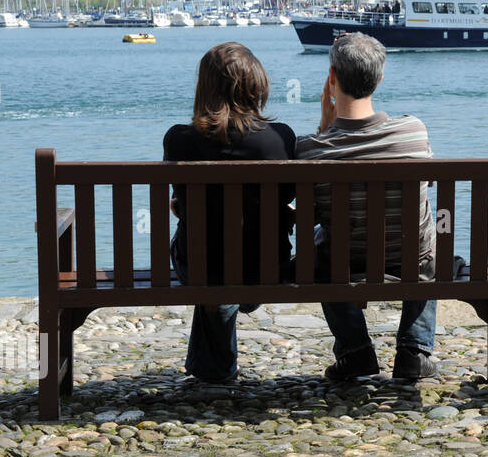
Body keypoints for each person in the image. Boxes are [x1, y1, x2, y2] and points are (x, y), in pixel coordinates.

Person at [295, 33, 440, 382]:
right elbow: (428, 186)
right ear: (379, 78)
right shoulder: (413, 132)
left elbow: (311, 212)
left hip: (343, 265)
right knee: (428, 235)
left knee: (323, 249)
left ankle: (356, 351)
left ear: (332, 78)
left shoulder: (310, 150)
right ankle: (414, 350)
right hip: (410, 261)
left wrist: (325, 127)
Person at [164, 42, 295, 382]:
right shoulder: (280, 138)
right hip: (268, 264)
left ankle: (215, 370)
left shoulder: (179, 139)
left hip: (201, 264)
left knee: (207, 250)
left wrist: (184, 208)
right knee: (223, 252)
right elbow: (288, 196)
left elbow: (181, 200)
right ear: (258, 85)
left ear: (204, 88)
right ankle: (213, 366)